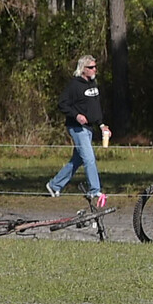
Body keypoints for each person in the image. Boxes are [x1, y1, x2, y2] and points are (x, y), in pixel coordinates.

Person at [46, 53, 111, 206]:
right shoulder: (74, 86)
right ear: (83, 69)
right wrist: (76, 116)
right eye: (91, 67)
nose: (95, 69)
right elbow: (62, 104)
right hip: (77, 127)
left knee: (78, 160)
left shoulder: (93, 85)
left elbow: (96, 108)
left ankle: (54, 185)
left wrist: (102, 125)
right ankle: (95, 190)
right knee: (89, 158)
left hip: (89, 128)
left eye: (95, 67)